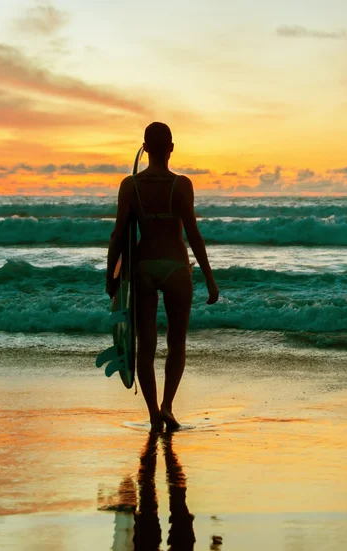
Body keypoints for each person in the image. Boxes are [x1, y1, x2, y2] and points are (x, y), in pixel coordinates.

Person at [106, 122, 219, 431]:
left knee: (145, 345)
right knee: (176, 342)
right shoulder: (182, 185)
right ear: (171, 148)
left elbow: (119, 234)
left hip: (142, 268)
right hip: (176, 267)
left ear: (145, 148)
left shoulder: (130, 186)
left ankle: (153, 414)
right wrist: (209, 276)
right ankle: (168, 405)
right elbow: (193, 233)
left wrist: (110, 274)